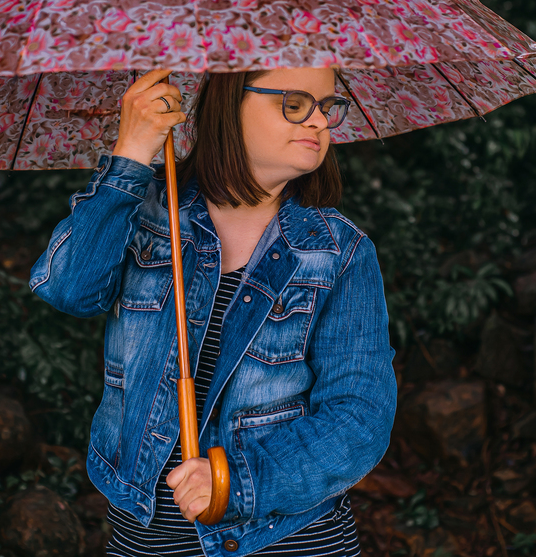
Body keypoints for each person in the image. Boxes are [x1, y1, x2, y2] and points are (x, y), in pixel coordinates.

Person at [28, 66, 397, 557]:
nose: (319, 123)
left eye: (327, 106)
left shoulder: (340, 253)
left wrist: (237, 483)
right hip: (148, 539)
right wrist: (131, 154)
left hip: (286, 542)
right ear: (228, 104)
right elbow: (68, 290)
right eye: (294, 104)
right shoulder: (143, 213)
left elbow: (360, 417)